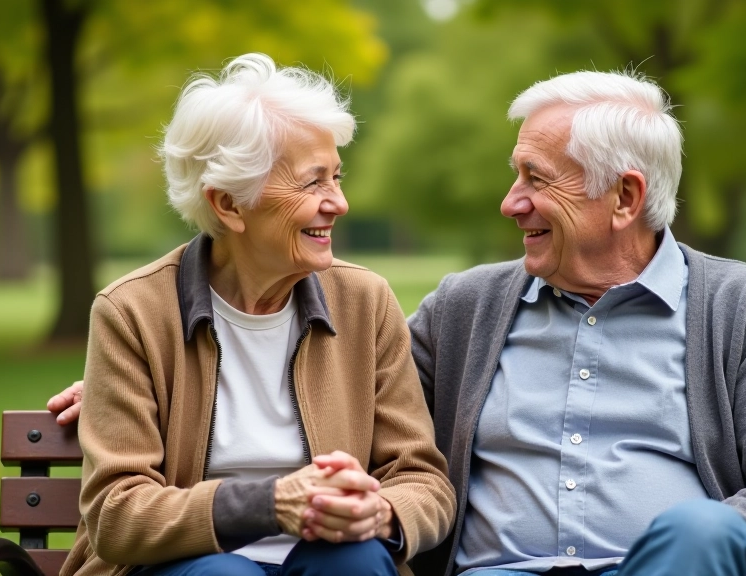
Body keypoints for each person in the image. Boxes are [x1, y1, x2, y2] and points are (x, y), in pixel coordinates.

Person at [53, 69, 746, 576]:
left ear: (626, 198)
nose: (510, 204)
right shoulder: (466, 310)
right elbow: (373, 403)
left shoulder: (738, 307)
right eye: (515, 177)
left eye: (536, 180)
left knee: (699, 536)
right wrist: (135, 383)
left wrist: (682, 549)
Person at [52, 53, 455, 576]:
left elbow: (421, 477)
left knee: (354, 559)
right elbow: (116, 513)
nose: (339, 202)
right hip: (188, 565)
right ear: (228, 204)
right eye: (313, 183)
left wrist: (383, 512)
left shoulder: (365, 301)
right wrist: (268, 504)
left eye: (336, 177)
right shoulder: (132, 311)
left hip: (327, 557)